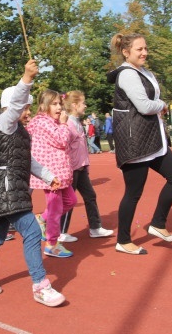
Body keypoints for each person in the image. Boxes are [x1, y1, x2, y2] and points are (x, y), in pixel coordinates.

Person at [0, 59, 66, 307]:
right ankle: (40, 286)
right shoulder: (4, 122)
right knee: (32, 231)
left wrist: (47, 175)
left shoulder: (19, 131)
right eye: (26, 107)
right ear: (12, 106)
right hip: (6, 188)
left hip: (9, 189)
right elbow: (15, 105)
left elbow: (27, 159)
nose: (28, 111)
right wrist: (27, 78)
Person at [107, 33, 172, 255]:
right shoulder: (127, 74)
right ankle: (123, 240)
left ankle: (158, 224)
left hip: (152, 139)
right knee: (133, 192)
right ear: (126, 52)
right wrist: (161, 104)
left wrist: (158, 105)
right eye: (139, 49)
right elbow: (143, 106)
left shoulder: (144, 72)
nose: (144, 52)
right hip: (135, 142)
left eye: (145, 48)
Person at [58, 91, 113, 243]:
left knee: (90, 196)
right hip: (72, 169)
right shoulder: (68, 123)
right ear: (75, 105)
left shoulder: (78, 122)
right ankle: (61, 231)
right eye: (83, 103)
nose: (86, 106)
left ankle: (95, 227)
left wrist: (86, 164)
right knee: (69, 200)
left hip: (81, 168)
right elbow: (64, 146)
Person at [28, 89, 77, 258]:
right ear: (43, 106)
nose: (58, 108)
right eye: (54, 104)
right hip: (51, 175)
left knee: (71, 201)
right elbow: (62, 140)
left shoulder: (53, 122)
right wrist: (64, 124)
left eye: (60, 104)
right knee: (56, 209)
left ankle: (42, 219)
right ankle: (52, 243)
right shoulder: (43, 122)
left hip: (61, 172)